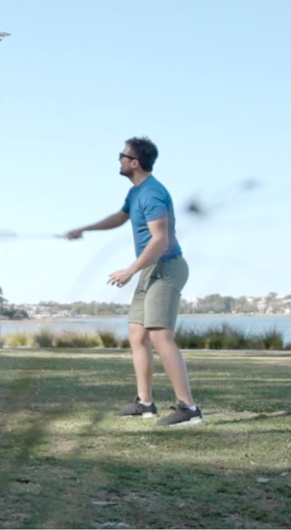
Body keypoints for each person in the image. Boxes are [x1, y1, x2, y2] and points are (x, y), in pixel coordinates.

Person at [65, 137, 203, 427]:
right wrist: (85, 229)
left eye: (122, 155)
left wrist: (129, 270)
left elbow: (161, 239)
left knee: (159, 335)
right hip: (151, 270)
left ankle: (189, 409)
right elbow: (120, 217)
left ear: (135, 162)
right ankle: (145, 403)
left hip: (166, 268)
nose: (119, 160)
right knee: (136, 334)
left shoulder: (152, 193)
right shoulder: (136, 193)